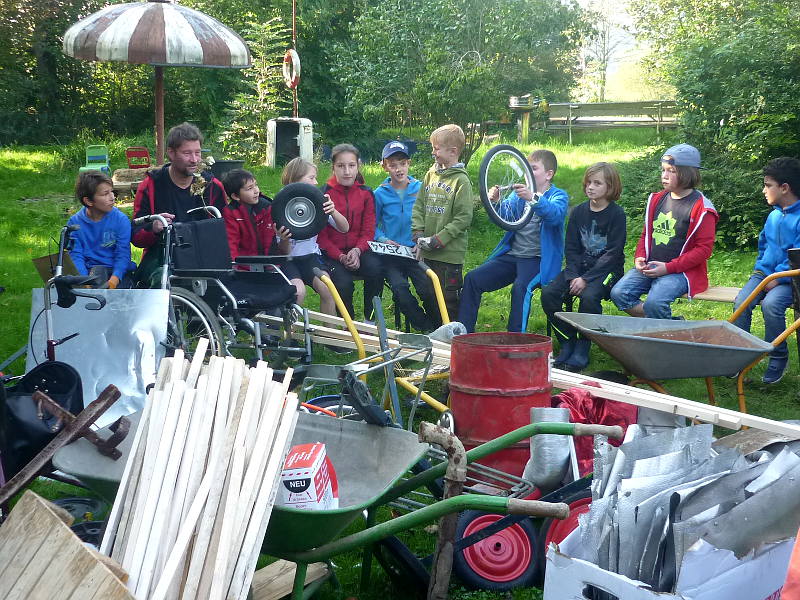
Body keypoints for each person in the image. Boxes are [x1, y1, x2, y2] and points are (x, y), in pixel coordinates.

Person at [458, 149, 568, 333]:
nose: (528, 172)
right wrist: (496, 202)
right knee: (472, 279)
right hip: (513, 256)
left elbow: (555, 215)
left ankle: (516, 340)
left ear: (549, 174)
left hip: (537, 260)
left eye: (534, 168)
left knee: (520, 289)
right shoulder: (518, 195)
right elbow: (506, 217)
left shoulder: (558, 195)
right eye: (526, 168)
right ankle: (462, 333)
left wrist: (533, 198)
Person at [610, 143, 718, 320]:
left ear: (688, 174)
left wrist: (668, 268)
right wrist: (640, 257)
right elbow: (647, 234)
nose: (664, 175)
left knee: (654, 303)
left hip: (681, 272)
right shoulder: (657, 199)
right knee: (619, 293)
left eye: (671, 171)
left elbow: (703, 250)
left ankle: (661, 329)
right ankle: (671, 324)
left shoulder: (702, 208)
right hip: (651, 266)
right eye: (663, 170)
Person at [541, 162, 626, 371]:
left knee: (589, 297)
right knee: (549, 294)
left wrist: (586, 279)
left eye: (597, 183)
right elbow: (571, 248)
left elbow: (613, 254)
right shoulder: (578, 212)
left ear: (610, 187)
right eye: (588, 182)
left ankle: (583, 346)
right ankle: (567, 340)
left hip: (608, 270)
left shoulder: (617, 214)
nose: (590, 187)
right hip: (579, 268)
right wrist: (573, 276)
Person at [731, 156, 800, 384]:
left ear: (784, 188)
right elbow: (763, 245)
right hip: (764, 274)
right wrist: (762, 268)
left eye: (768, 185)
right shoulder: (773, 215)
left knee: (771, 305)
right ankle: (740, 358)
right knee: (741, 303)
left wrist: (777, 278)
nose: (763, 190)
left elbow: (798, 257)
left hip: (789, 279)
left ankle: (777, 356)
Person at [132, 122, 226, 284]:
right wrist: (153, 228)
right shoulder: (151, 185)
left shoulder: (212, 186)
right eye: (187, 153)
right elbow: (135, 236)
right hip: (161, 258)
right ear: (171, 153)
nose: (194, 160)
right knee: (161, 280)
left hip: (203, 256)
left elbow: (227, 230)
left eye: (197, 153)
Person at [374, 141, 440, 331]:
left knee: (427, 289)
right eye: (393, 165)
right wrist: (383, 240)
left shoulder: (420, 189)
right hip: (392, 254)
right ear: (385, 166)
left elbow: (430, 219)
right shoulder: (379, 194)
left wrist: (422, 241)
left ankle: (439, 326)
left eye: (402, 164)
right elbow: (371, 225)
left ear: (409, 163)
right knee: (400, 290)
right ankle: (426, 327)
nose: (398, 169)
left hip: (415, 252)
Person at [411, 124, 474, 321]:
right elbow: (419, 205)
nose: (433, 152)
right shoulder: (430, 175)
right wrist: (418, 233)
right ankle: (436, 329)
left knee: (448, 299)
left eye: (436, 148)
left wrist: (439, 239)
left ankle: (453, 334)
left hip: (449, 255)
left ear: (453, 151)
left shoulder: (461, 181)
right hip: (428, 251)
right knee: (429, 293)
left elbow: (463, 218)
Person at [317, 144, 382, 321]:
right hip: (332, 255)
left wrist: (357, 250)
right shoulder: (323, 194)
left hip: (359, 249)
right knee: (343, 284)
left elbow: (368, 230)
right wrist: (340, 256)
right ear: (333, 167)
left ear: (358, 166)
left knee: (376, 269)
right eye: (341, 166)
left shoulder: (366, 193)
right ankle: (349, 324)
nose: (347, 171)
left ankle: (370, 320)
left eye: (351, 165)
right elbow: (321, 237)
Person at [222, 168, 305, 304]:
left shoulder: (268, 207)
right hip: (247, 268)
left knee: (299, 291)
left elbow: (282, 249)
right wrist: (234, 270)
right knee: (266, 298)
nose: (256, 190)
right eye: (249, 188)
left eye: (256, 185)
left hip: (275, 261)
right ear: (236, 196)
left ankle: (290, 318)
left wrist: (283, 238)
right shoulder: (231, 214)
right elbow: (231, 246)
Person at [280, 157, 349, 316]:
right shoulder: (281, 204)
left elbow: (344, 228)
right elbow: (284, 250)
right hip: (288, 260)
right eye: (311, 178)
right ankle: (291, 330)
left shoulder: (317, 201)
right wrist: (284, 238)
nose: (316, 182)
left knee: (328, 288)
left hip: (310, 257)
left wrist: (333, 211)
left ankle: (328, 330)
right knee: (298, 292)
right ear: (295, 179)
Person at [68, 170, 136, 288]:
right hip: (88, 273)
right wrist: (84, 281)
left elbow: (123, 254)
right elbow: (76, 255)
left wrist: (114, 280)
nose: (112, 197)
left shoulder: (121, 220)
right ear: (88, 201)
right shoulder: (74, 223)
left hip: (116, 273)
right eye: (105, 194)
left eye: (112, 192)